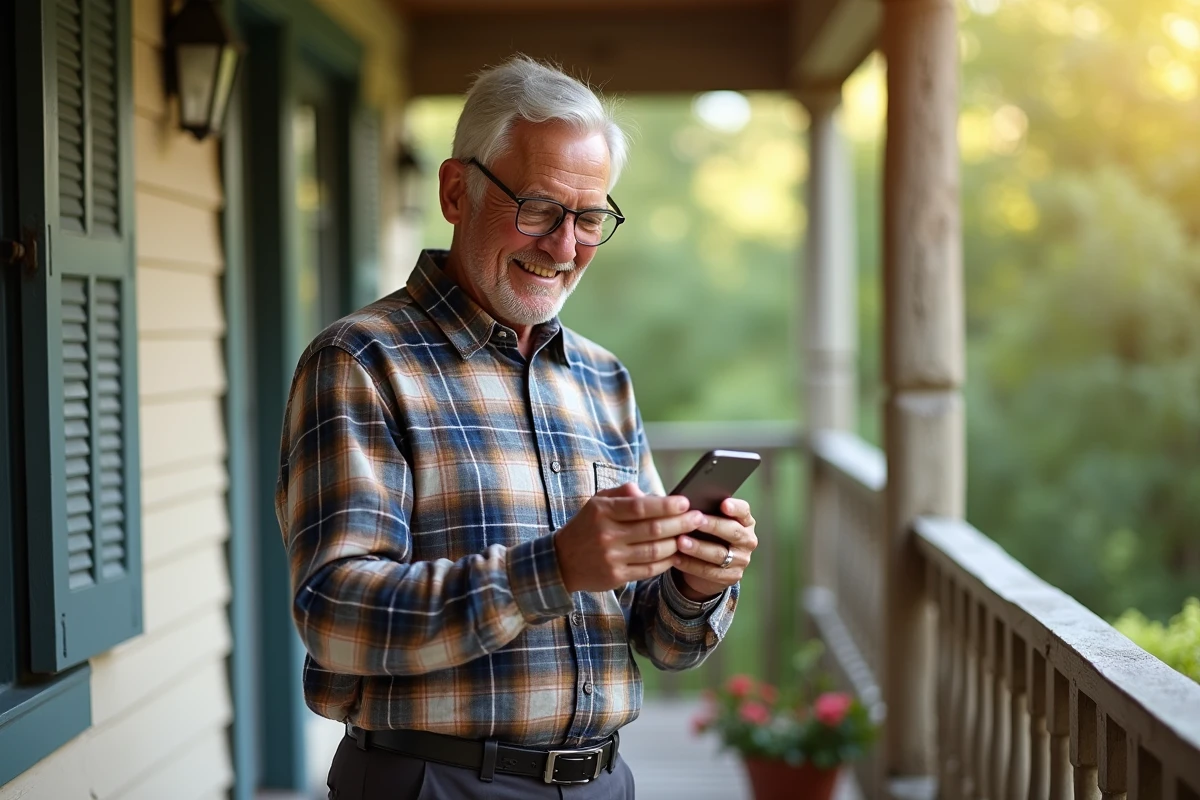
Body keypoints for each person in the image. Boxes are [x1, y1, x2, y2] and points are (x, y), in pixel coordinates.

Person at [276, 55, 758, 800]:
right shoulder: (361, 361)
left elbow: (659, 639)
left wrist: (695, 583)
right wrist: (554, 568)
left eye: (590, 217)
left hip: (604, 780)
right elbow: (337, 616)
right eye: (538, 208)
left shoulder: (603, 379)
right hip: (433, 781)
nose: (565, 247)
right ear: (454, 190)